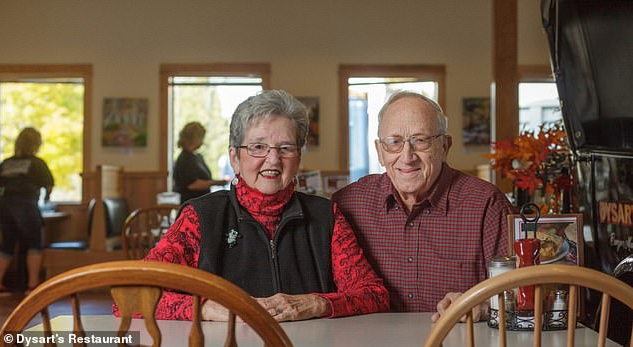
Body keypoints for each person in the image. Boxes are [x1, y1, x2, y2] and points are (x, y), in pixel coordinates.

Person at [144, 90, 389, 321]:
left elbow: (374, 295)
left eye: (285, 148)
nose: (273, 159)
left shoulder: (326, 216)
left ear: (298, 159)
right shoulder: (199, 217)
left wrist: (317, 304)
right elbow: (133, 295)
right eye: (258, 147)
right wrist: (208, 307)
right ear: (234, 158)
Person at [332, 91, 512, 322]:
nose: (407, 157)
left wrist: (485, 306)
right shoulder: (348, 204)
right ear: (379, 151)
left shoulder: (487, 205)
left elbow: (516, 294)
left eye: (421, 140)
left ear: (445, 146)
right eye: (394, 142)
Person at [0, 127, 54, 296]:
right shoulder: (37, 163)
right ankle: (32, 285)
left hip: (4, 205)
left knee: (6, 245)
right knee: (34, 243)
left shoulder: (6, 163)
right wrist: (45, 200)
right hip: (26, 205)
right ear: (36, 144)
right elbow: (49, 184)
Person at [173, 121, 228, 203]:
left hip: (202, 202)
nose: (202, 141)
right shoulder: (184, 159)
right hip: (191, 204)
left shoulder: (198, 157)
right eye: (201, 137)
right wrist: (216, 183)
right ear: (194, 138)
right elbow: (192, 184)